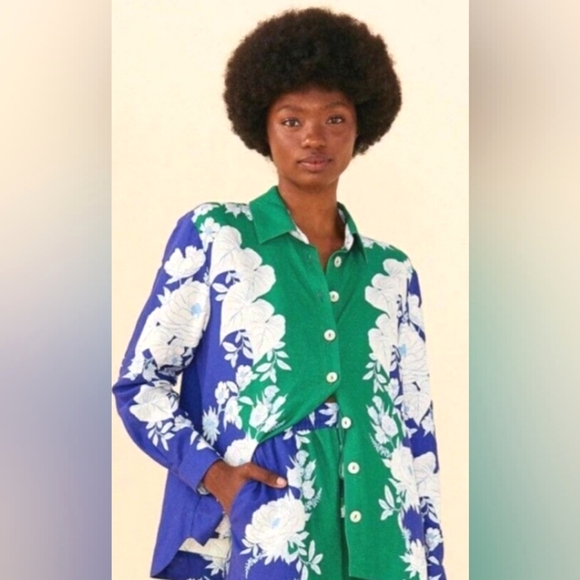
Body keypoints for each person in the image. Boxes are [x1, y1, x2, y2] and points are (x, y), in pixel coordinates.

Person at [113, 7, 446, 580]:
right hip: (268, 538)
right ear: (263, 128)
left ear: (361, 127)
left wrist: (432, 561)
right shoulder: (216, 236)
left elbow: (415, 430)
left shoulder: (392, 271)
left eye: (335, 118)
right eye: (292, 120)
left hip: (386, 543)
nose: (314, 137)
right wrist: (215, 476)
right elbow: (141, 384)